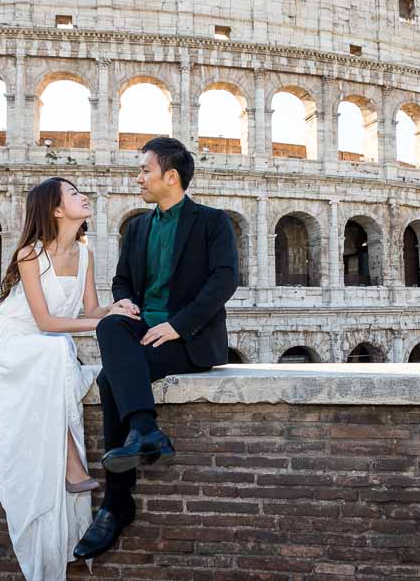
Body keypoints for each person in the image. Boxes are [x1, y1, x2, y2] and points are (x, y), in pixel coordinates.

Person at [73, 137, 239, 560]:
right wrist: (126, 302)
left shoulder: (212, 221)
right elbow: (122, 280)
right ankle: (145, 431)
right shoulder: (138, 227)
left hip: (189, 339)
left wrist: (177, 326)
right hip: (141, 329)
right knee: (111, 323)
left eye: (144, 170)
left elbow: (224, 280)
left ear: (171, 176)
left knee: (112, 380)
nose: (138, 178)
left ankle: (118, 502)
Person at [0, 177, 138, 580]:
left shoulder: (85, 254)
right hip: (12, 345)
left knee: (57, 350)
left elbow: (90, 308)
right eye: (74, 194)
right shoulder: (31, 254)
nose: (84, 196)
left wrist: (117, 309)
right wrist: (101, 323)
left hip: (46, 349)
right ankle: (72, 463)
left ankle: (70, 468)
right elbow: (44, 321)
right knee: (56, 348)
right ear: (57, 210)